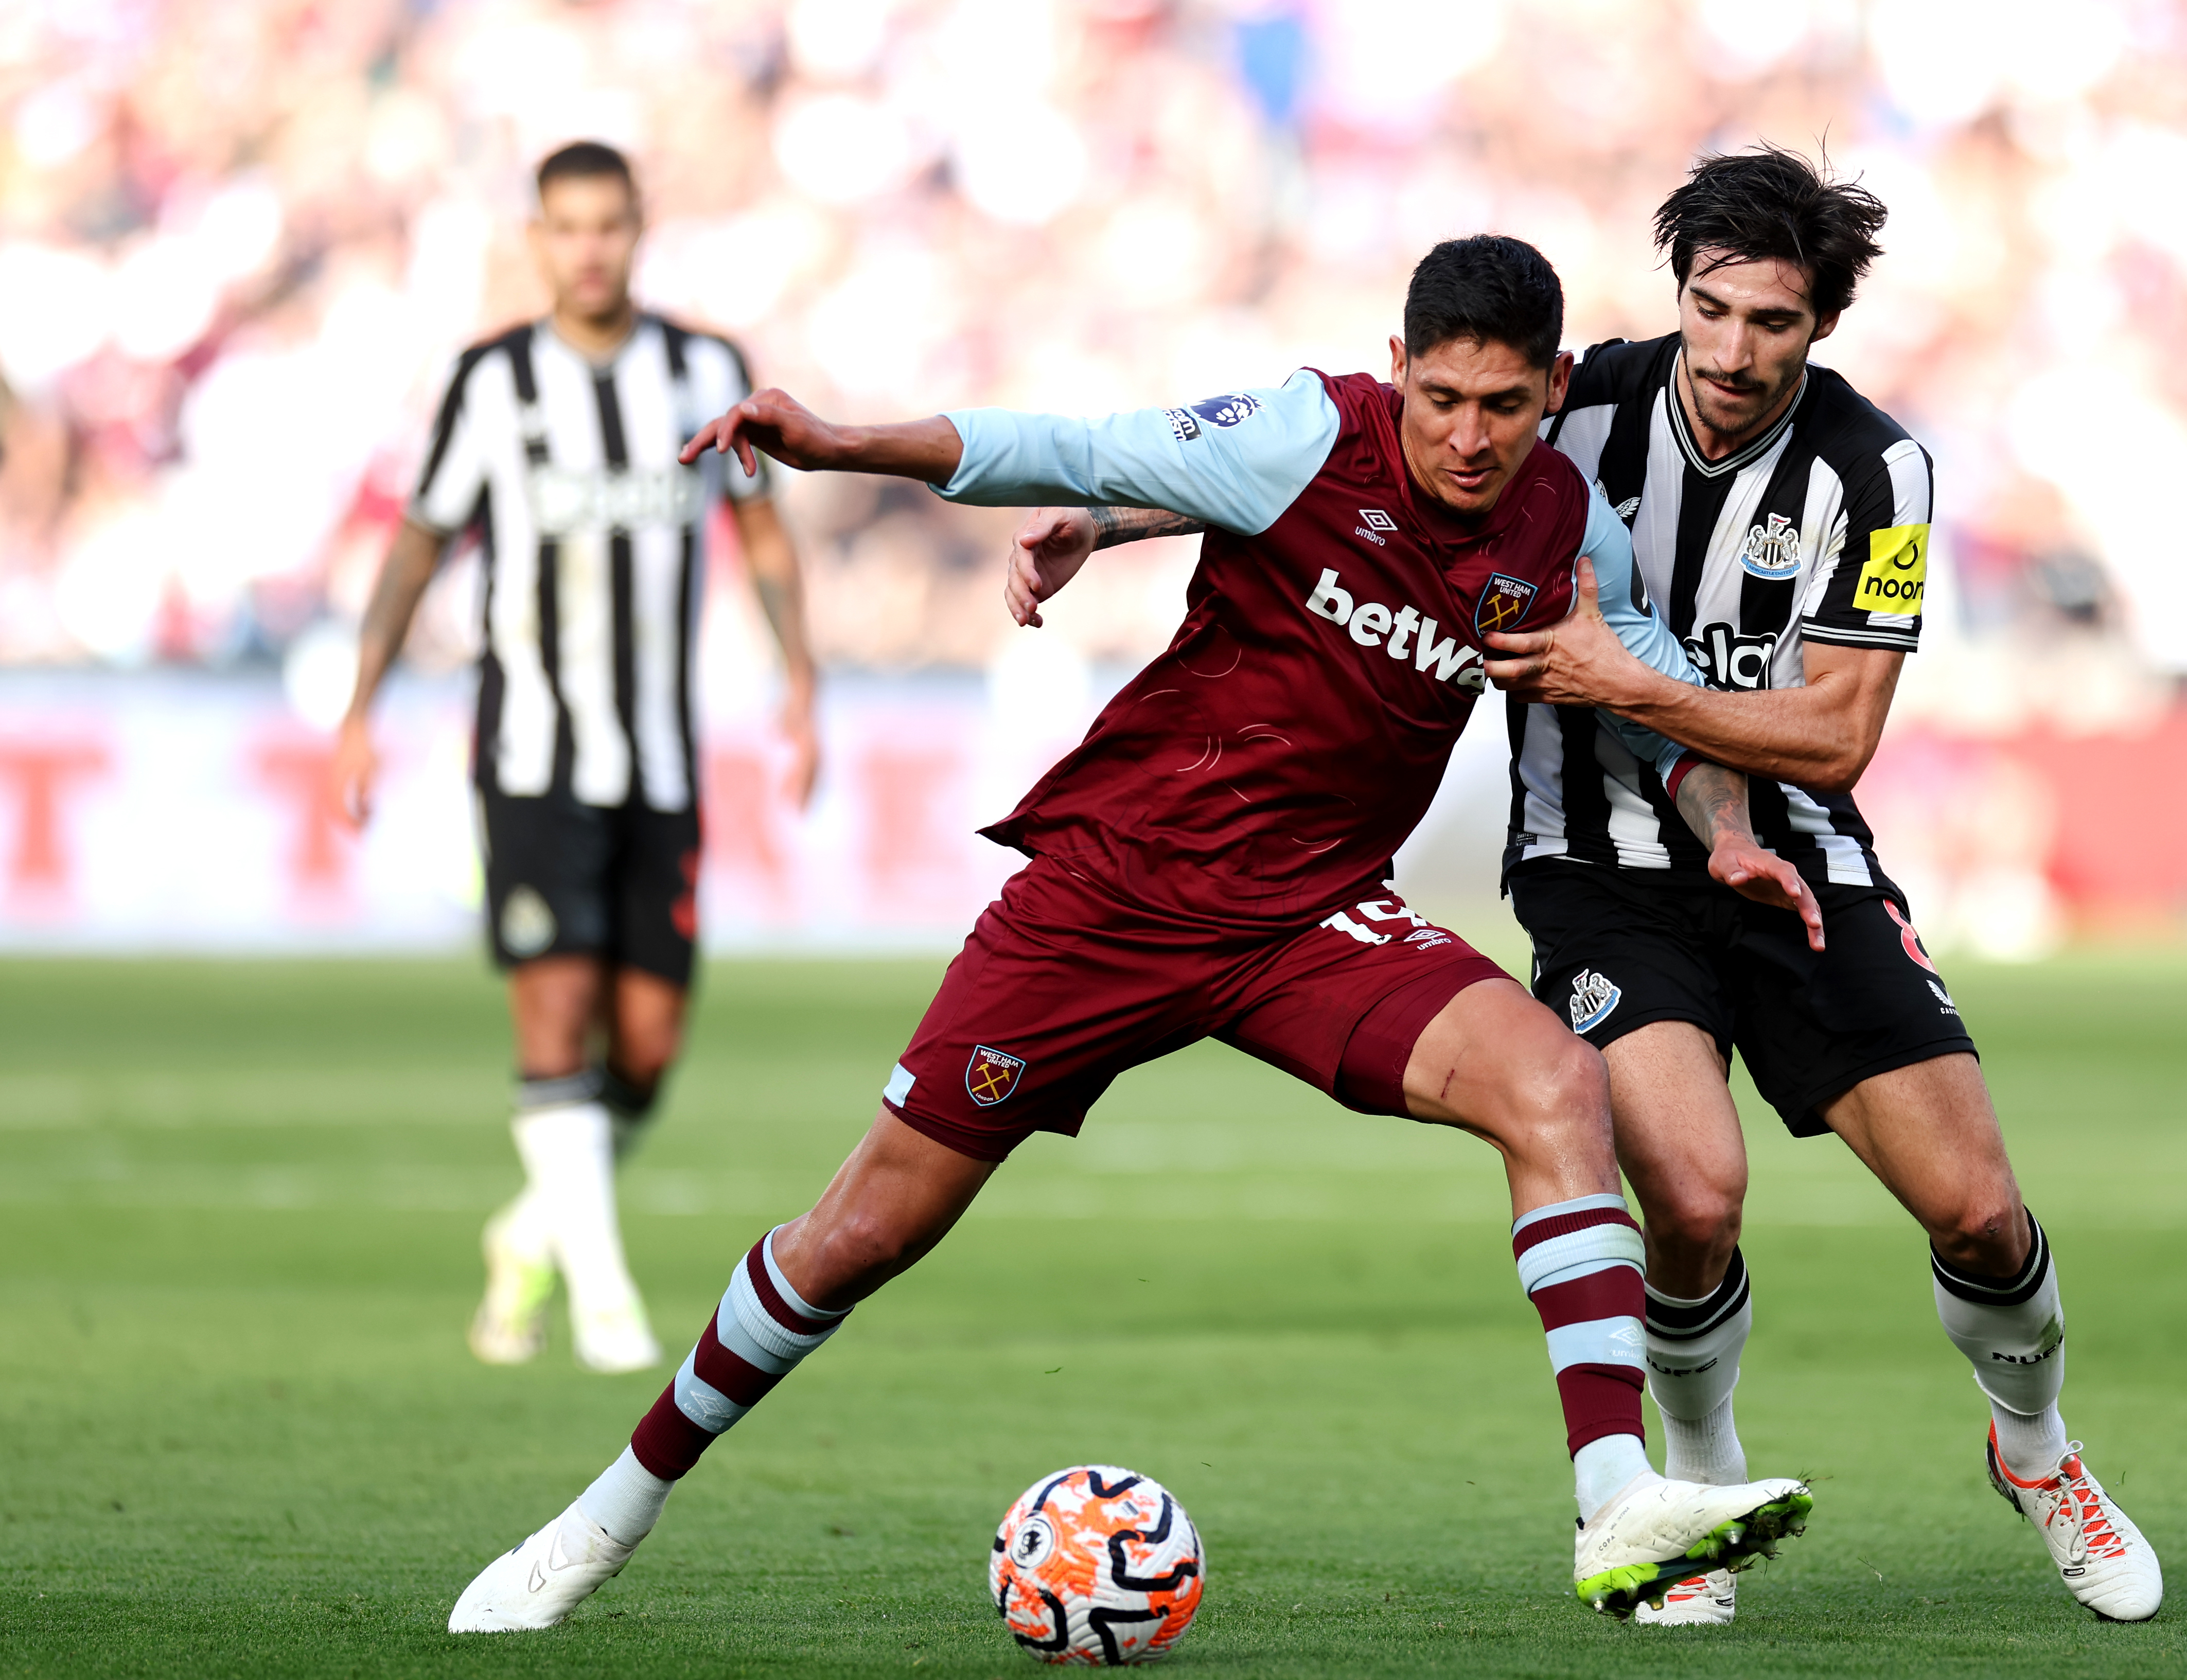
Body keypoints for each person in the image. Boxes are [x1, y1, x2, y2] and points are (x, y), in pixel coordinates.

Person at [447, 235, 1825, 1634]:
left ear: (1554, 388)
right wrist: (843, 441)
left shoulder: (1556, 530)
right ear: (1395, 368)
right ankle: (603, 1516)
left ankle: (1615, 1502)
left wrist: (1722, 826)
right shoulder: (1305, 434)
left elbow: (1647, 679)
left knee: (1553, 1081)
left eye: (1506, 406)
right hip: (1116, 892)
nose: (1469, 438)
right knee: (862, 1230)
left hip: (1311, 915)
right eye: (1442, 400)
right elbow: (1079, 443)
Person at [1476, 148, 2162, 1625]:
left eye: (1771, 322)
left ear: (1819, 326)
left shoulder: (1882, 472)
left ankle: (2036, 1452)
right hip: (1596, 874)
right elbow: (1351, 445)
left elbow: (1840, 734)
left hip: (1804, 868)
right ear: (1679, 295)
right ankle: (1696, 1474)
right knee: (1696, 1193)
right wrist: (1121, 517)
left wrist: (1617, 678)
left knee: (1979, 1213)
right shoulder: (1568, 401)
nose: (1731, 351)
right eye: (1710, 309)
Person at [333, 142, 821, 1376]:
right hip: (532, 755)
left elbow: (760, 533)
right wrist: (360, 706)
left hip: (660, 760)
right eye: (567, 227)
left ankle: (534, 1226)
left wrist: (800, 680)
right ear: (538, 239)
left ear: (638, 230)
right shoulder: (492, 383)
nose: (589, 248)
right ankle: (605, 1304)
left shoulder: (702, 370)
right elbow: (418, 544)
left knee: (645, 1051)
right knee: (553, 1017)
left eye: (609, 225)